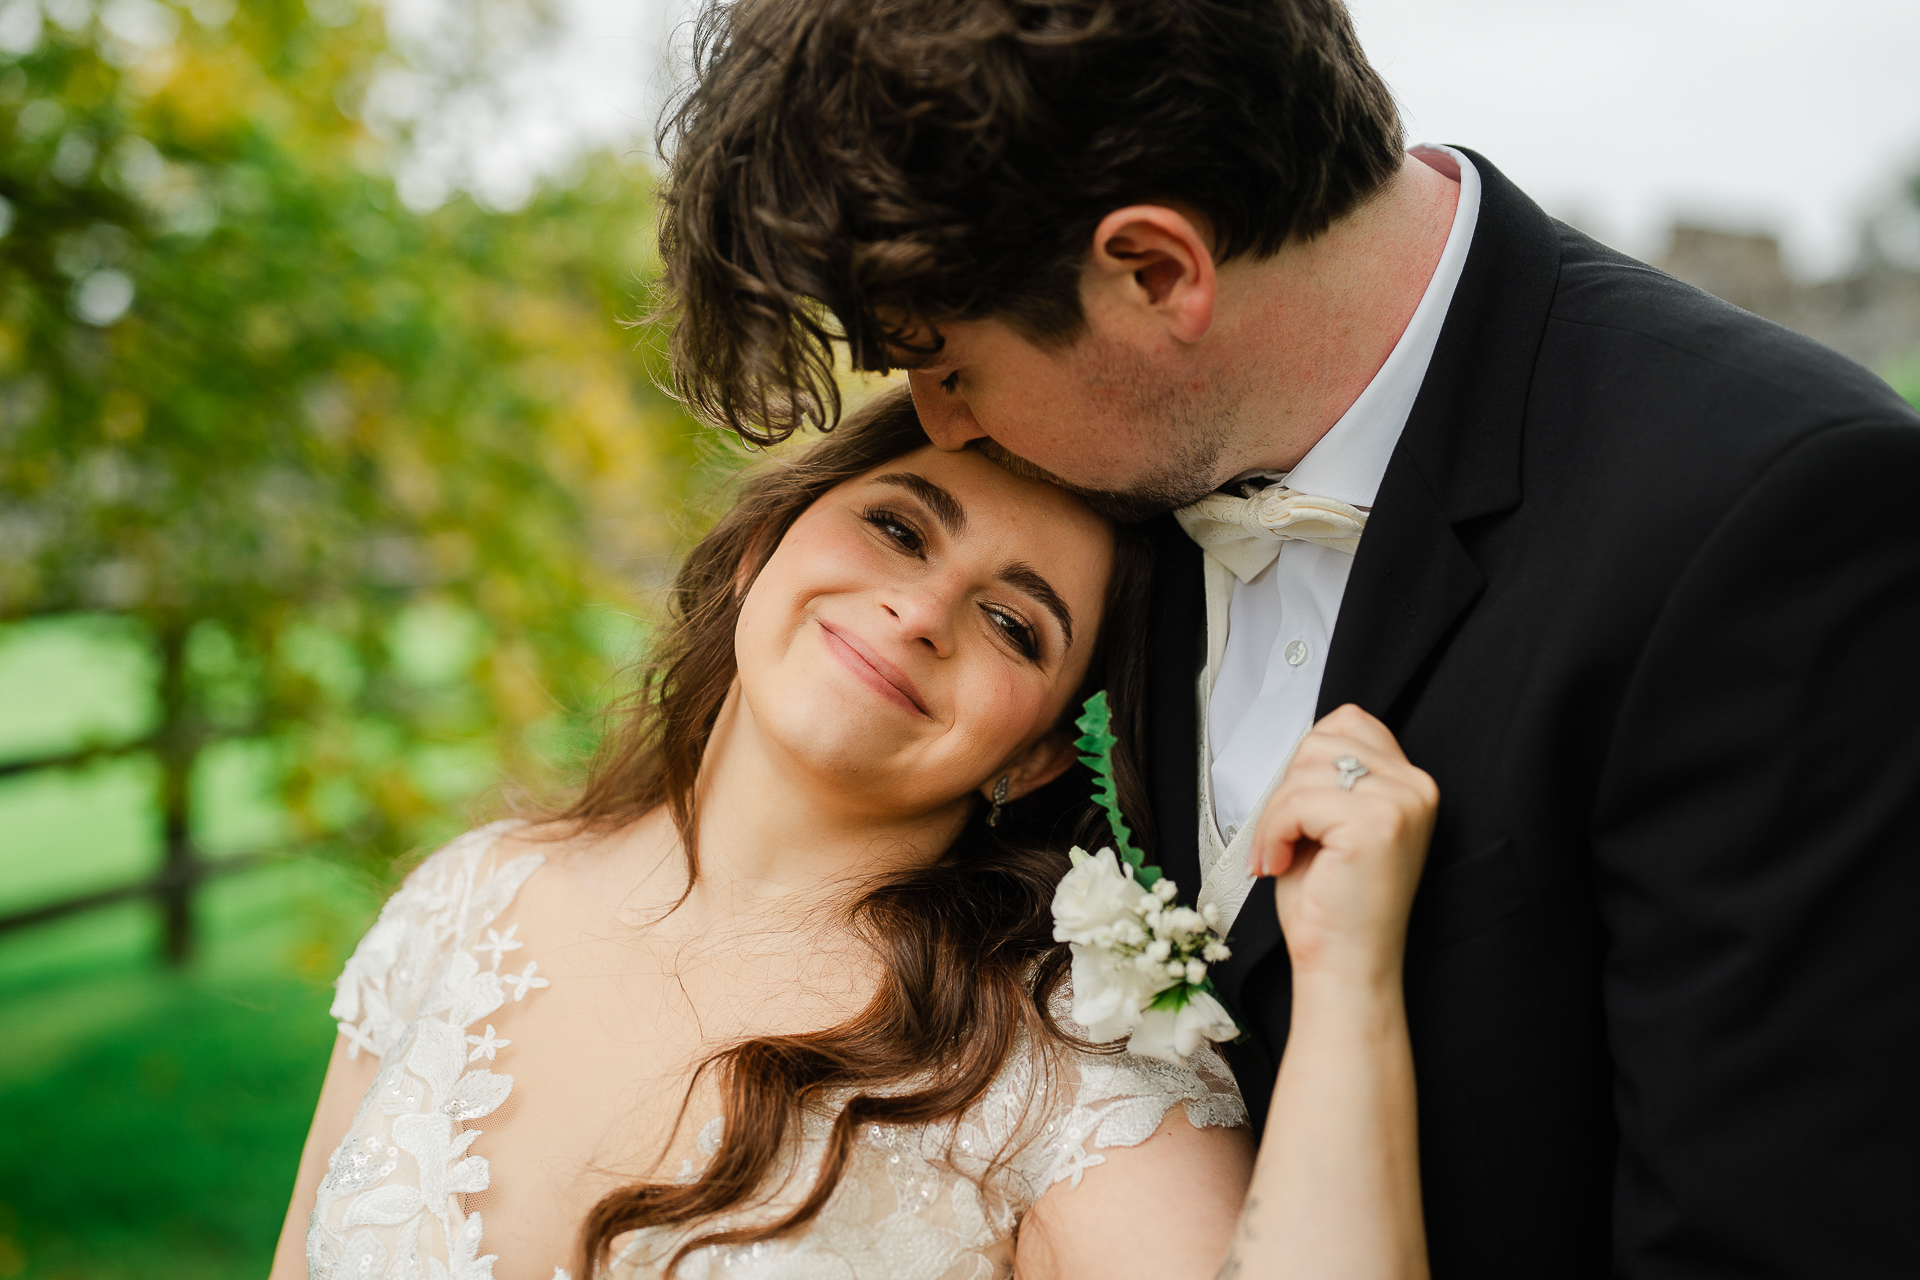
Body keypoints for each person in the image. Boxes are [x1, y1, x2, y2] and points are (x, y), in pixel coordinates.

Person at [652, 0, 1920, 1275]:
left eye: (944, 362)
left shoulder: (1768, 519)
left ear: (1156, 272)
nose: (940, 419)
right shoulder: (1096, 502)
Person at [270, 391, 1444, 1279]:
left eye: (1013, 622)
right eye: (897, 527)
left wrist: (1348, 979)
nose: (922, 611)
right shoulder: (463, 900)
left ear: (1038, 751)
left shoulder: (1058, 1067)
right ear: (760, 551)